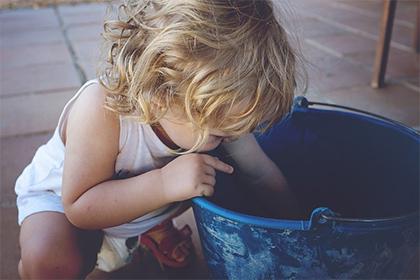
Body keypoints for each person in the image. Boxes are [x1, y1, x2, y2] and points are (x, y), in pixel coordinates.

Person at [15, 0, 305, 278]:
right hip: (66, 203)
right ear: (160, 93)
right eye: (221, 132)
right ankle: (151, 226)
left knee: (220, 178)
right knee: (52, 265)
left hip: (140, 209)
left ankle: (151, 227)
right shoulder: (101, 110)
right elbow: (80, 208)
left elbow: (259, 174)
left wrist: (300, 227)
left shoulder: (218, 113)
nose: (233, 136)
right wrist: (164, 184)